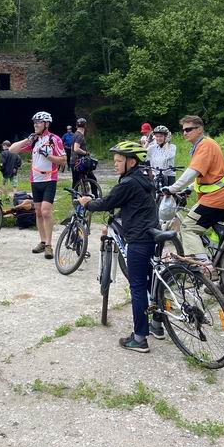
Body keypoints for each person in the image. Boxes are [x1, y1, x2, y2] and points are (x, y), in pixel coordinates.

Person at [78, 141, 163, 353]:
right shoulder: (143, 178)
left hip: (139, 238)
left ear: (131, 161)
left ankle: (140, 338)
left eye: (119, 161)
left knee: (137, 287)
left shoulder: (128, 183)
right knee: (153, 282)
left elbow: (107, 202)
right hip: (152, 234)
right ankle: (157, 325)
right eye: (114, 160)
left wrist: (87, 203)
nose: (115, 164)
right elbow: (133, 205)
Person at [161, 115, 224, 261]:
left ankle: (205, 267)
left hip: (217, 199)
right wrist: (190, 188)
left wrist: (173, 189)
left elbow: (193, 171)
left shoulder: (204, 145)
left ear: (200, 129)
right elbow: (210, 175)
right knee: (222, 241)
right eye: (183, 130)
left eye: (189, 129)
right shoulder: (207, 144)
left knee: (188, 227)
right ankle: (223, 278)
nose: (185, 133)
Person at [7, 111, 66, 259]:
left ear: (46, 124)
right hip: (35, 180)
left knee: (46, 211)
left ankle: (49, 245)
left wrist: (48, 155)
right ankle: (42, 241)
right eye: (34, 122)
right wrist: (27, 140)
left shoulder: (54, 139)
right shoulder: (33, 140)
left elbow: (63, 161)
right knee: (38, 212)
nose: (35, 125)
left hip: (49, 179)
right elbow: (12, 150)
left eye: (39, 122)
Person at [70, 118, 97, 191]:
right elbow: (76, 148)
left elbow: (72, 148)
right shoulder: (80, 136)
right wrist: (86, 153)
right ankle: (96, 197)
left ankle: (74, 198)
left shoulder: (74, 135)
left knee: (75, 182)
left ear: (76, 126)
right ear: (85, 126)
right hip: (80, 162)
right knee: (93, 179)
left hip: (73, 161)